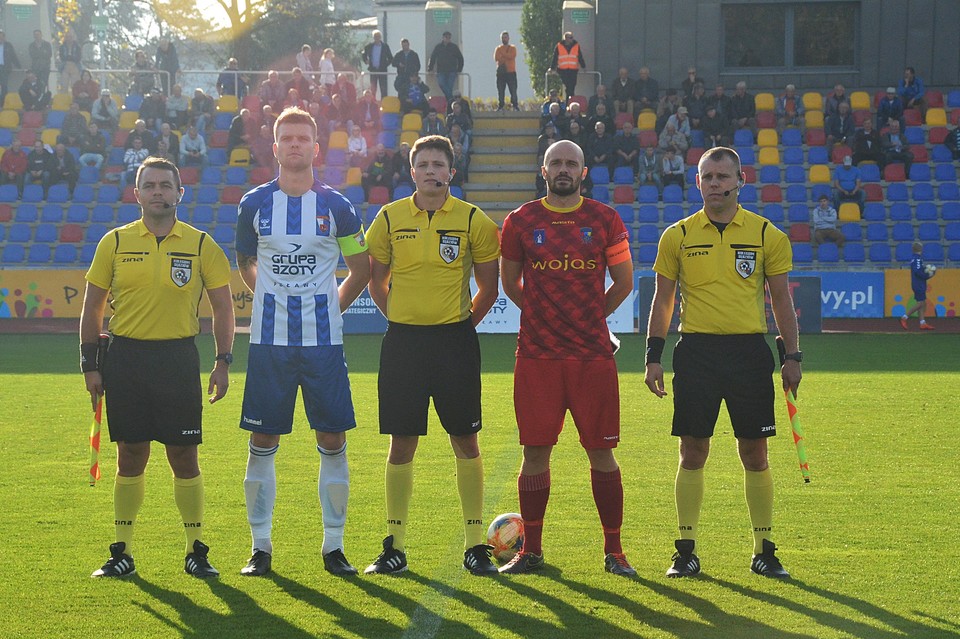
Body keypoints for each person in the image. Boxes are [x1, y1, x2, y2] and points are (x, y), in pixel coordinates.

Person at [644, 146, 800, 581]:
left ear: (739, 180)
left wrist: (792, 355)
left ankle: (764, 549)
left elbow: (781, 299)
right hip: (695, 353)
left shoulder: (768, 234)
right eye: (707, 177)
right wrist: (653, 357)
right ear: (697, 183)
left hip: (750, 354)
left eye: (722, 176)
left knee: (755, 451)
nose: (715, 184)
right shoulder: (677, 235)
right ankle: (686, 550)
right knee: (693, 450)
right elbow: (663, 299)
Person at [81, 156, 235, 579]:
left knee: (184, 455)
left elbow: (223, 308)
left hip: (178, 359)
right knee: (130, 454)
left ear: (179, 193)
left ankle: (195, 550)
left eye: (166, 185)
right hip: (126, 359)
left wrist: (223, 362)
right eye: (150, 185)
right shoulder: (114, 242)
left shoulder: (201, 244)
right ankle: (122, 551)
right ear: (137, 194)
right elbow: (93, 306)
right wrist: (89, 364)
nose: (158, 192)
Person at [235, 106, 370, 578]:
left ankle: (334, 547)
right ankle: (260, 547)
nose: (294, 145)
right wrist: (271, 293)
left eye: (302, 138)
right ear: (275, 147)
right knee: (262, 437)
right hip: (268, 342)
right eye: (286, 138)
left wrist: (330, 305)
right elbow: (246, 260)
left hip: (323, 344)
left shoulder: (338, 207)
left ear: (316, 148)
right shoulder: (253, 204)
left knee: (332, 438)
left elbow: (362, 269)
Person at [363, 135, 501, 576]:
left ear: (451, 172)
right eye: (422, 164)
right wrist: (401, 318)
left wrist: (459, 327)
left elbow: (489, 288)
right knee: (401, 443)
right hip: (403, 343)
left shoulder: (474, 220)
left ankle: (475, 544)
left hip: (454, 344)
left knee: (465, 439)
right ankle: (395, 545)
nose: (430, 171)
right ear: (412, 171)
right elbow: (376, 282)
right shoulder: (388, 218)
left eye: (438, 164)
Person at [497, 139, 635, 577]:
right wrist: (544, 317)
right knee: (535, 453)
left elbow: (625, 282)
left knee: (602, 453)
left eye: (570, 163)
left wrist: (593, 318)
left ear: (583, 171)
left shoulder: (605, 219)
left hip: (592, 356)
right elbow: (510, 284)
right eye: (555, 162)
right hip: (537, 355)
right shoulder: (520, 221)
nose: (562, 169)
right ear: (543, 170)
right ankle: (531, 551)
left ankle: (614, 553)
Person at [899, 242, 936, 331]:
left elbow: (918, 269)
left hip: (917, 283)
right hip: (919, 284)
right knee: (920, 303)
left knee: (923, 303)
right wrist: (928, 275)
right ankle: (904, 317)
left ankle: (922, 323)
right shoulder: (918, 259)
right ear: (921, 249)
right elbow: (917, 271)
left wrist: (925, 269)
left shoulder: (915, 258)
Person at [428, 31, 464, 103]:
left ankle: (450, 103)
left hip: (452, 71)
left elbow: (460, 58)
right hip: (441, 71)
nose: (447, 39)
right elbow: (433, 57)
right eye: (446, 37)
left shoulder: (454, 47)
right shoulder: (438, 47)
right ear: (443, 38)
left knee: (449, 87)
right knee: (441, 84)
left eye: (449, 38)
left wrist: (459, 69)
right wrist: (430, 69)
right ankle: (452, 101)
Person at [551, 31, 585, 99]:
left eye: (572, 37)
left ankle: (569, 101)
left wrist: (583, 66)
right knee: (568, 86)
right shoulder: (559, 46)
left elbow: (580, 57)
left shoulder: (576, 45)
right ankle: (570, 100)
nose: (572, 39)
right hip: (562, 70)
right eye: (570, 38)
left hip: (573, 70)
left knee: (572, 86)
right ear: (566, 38)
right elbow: (555, 57)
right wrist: (552, 68)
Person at [362, 30, 393, 99]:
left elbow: (391, 58)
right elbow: (363, 54)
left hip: (382, 70)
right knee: (373, 89)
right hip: (373, 70)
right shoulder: (369, 46)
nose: (377, 38)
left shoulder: (385, 46)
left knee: (383, 89)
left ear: (380, 37)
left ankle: (384, 104)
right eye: (375, 36)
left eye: (378, 36)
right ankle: (373, 103)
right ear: (373, 37)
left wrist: (385, 65)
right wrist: (366, 60)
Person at [494, 31, 519, 112]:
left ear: (508, 38)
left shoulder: (512, 48)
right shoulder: (498, 48)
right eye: (503, 38)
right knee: (500, 90)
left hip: (511, 72)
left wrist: (503, 55)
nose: (504, 39)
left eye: (505, 37)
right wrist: (506, 56)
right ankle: (501, 106)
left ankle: (515, 105)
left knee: (513, 90)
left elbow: (512, 56)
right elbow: (496, 58)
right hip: (501, 73)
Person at [0, 30, 22, 107]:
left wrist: (19, 66)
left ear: (4, 37)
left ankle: (3, 103)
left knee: (4, 86)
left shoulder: (8, 45)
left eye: (1, 36)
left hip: (4, 68)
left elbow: (13, 56)